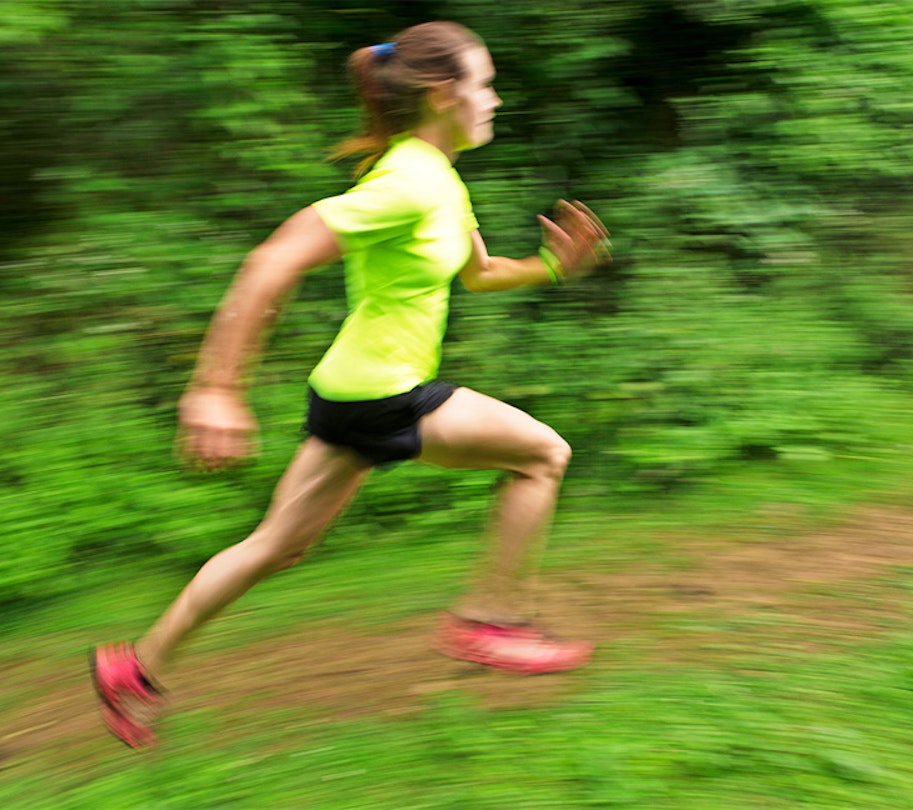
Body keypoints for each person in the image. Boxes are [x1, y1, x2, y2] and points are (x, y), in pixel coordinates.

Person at [90, 21, 612, 750]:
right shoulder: (406, 182)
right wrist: (215, 386)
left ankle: (135, 668)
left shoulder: (434, 176)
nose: (495, 99)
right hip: (383, 395)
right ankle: (491, 621)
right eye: (485, 84)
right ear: (440, 94)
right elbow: (273, 259)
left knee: (276, 546)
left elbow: (479, 272)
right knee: (541, 455)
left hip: (349, 393)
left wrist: (554, 267)